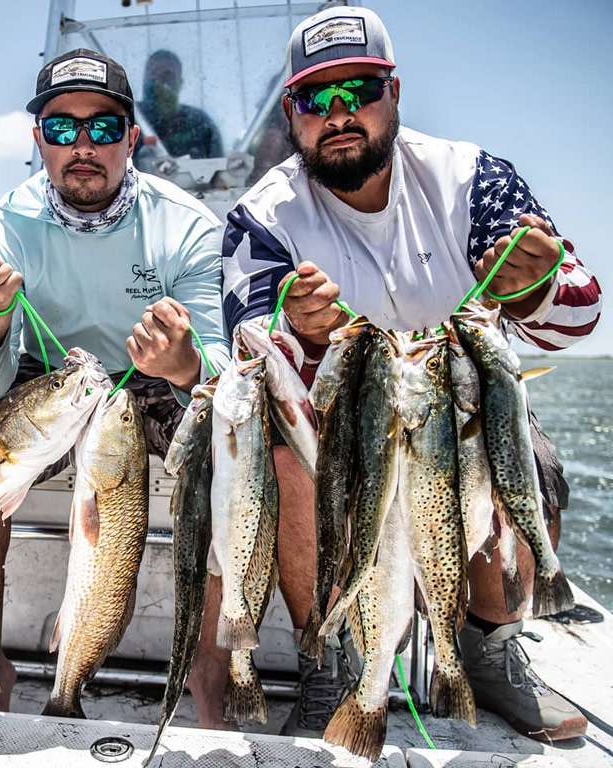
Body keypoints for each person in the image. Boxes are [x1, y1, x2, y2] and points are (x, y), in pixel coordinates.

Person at [221, 6, 601, 741]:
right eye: (313, 100)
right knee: (282, 450)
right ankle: (327, 665)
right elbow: (249, 340)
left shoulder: (472, 178)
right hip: (341, 427)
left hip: (461, 410)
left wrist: (532, 286)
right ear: (291, 115)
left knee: (528, 461)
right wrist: (300, 333)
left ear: (394, 90)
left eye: (357, 89)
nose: (338, 115)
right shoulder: (261, 215)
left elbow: (580, 312)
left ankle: (487, 651)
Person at [0, 48, 231, 721]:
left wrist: (187, 364)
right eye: (61, 127)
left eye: (103, 128)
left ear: (132, 138)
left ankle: (209, 666)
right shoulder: (4, 226)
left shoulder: (188, 226)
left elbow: (220, 373)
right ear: (38, 139)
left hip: (149, 377)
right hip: (52, 382)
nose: (83, 145)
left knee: (239, 444)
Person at [137, 49, 223, 160]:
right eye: (152, 75)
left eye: (167, 75)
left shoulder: (200, 124)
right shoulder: (131, 118)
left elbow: (219, 168)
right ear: (144, 80)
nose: (158, 81)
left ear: (180, 83)